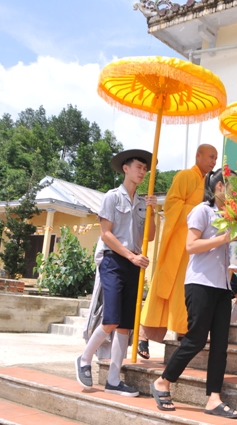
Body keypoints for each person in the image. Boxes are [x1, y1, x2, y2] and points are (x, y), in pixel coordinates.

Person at [149, 168, 237, 419]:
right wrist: (224, 238)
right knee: (196, 339)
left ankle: (213, 399)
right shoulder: (203, 210)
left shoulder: (232, 216)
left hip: (223, 286)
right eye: (234, 187)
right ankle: (163, 381)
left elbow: (228, 250)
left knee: (220, 345)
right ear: (220, 187)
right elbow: (190, 246)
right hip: (200, 284)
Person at [75, 149, 157, 397]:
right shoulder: (111, 197)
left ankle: (113, 379)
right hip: (113, 260)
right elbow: (106, 234)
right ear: (126, 168)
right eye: (139, 167)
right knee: (111, 319)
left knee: (125, 326)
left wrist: (152, 212)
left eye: (145, 169)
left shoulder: (143, 203)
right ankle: (84, 359)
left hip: (134, 264)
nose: (142, 172)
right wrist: (130, 256)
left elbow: (150, 236)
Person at [137, 144, 218, 359]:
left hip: (193, 243)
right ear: (198, 155)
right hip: (177, 242)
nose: (214, 161)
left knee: (185, 289)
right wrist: (199, 211)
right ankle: (143, 334)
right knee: (165, 286)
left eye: (216, 158)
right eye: (211, 157)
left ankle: (183, 330)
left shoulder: (207, 183)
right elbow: (172, 204)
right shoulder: (185, 176)